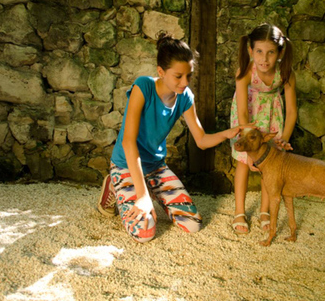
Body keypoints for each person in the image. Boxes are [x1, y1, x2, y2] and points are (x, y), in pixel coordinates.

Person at [98, 32, 251, 243]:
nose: (185, 82)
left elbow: (201, 140)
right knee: (144, 233)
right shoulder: (143, 87)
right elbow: (128, 142)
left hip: (155, 167)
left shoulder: (185, 97)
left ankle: (150, 189)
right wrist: (141, 196)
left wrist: (227, 133)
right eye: (178, 76)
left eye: (189, 75)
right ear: (161, 72)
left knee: (192, 223)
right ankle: (115, 185)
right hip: (126, 164)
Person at [230, 23, 297, 234]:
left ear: (280, 53)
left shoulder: (285, 72)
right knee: (243, 163)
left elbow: (293, 111)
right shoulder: (245, 71)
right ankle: (239, 212)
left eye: (270, 53)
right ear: (251, 50)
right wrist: (247, 140)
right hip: (247, 120)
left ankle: (264, 211)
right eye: (259, 51)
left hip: (272, 117)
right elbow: (242, 112)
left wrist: (283, 138)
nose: (264, 59)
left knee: (270, 166)